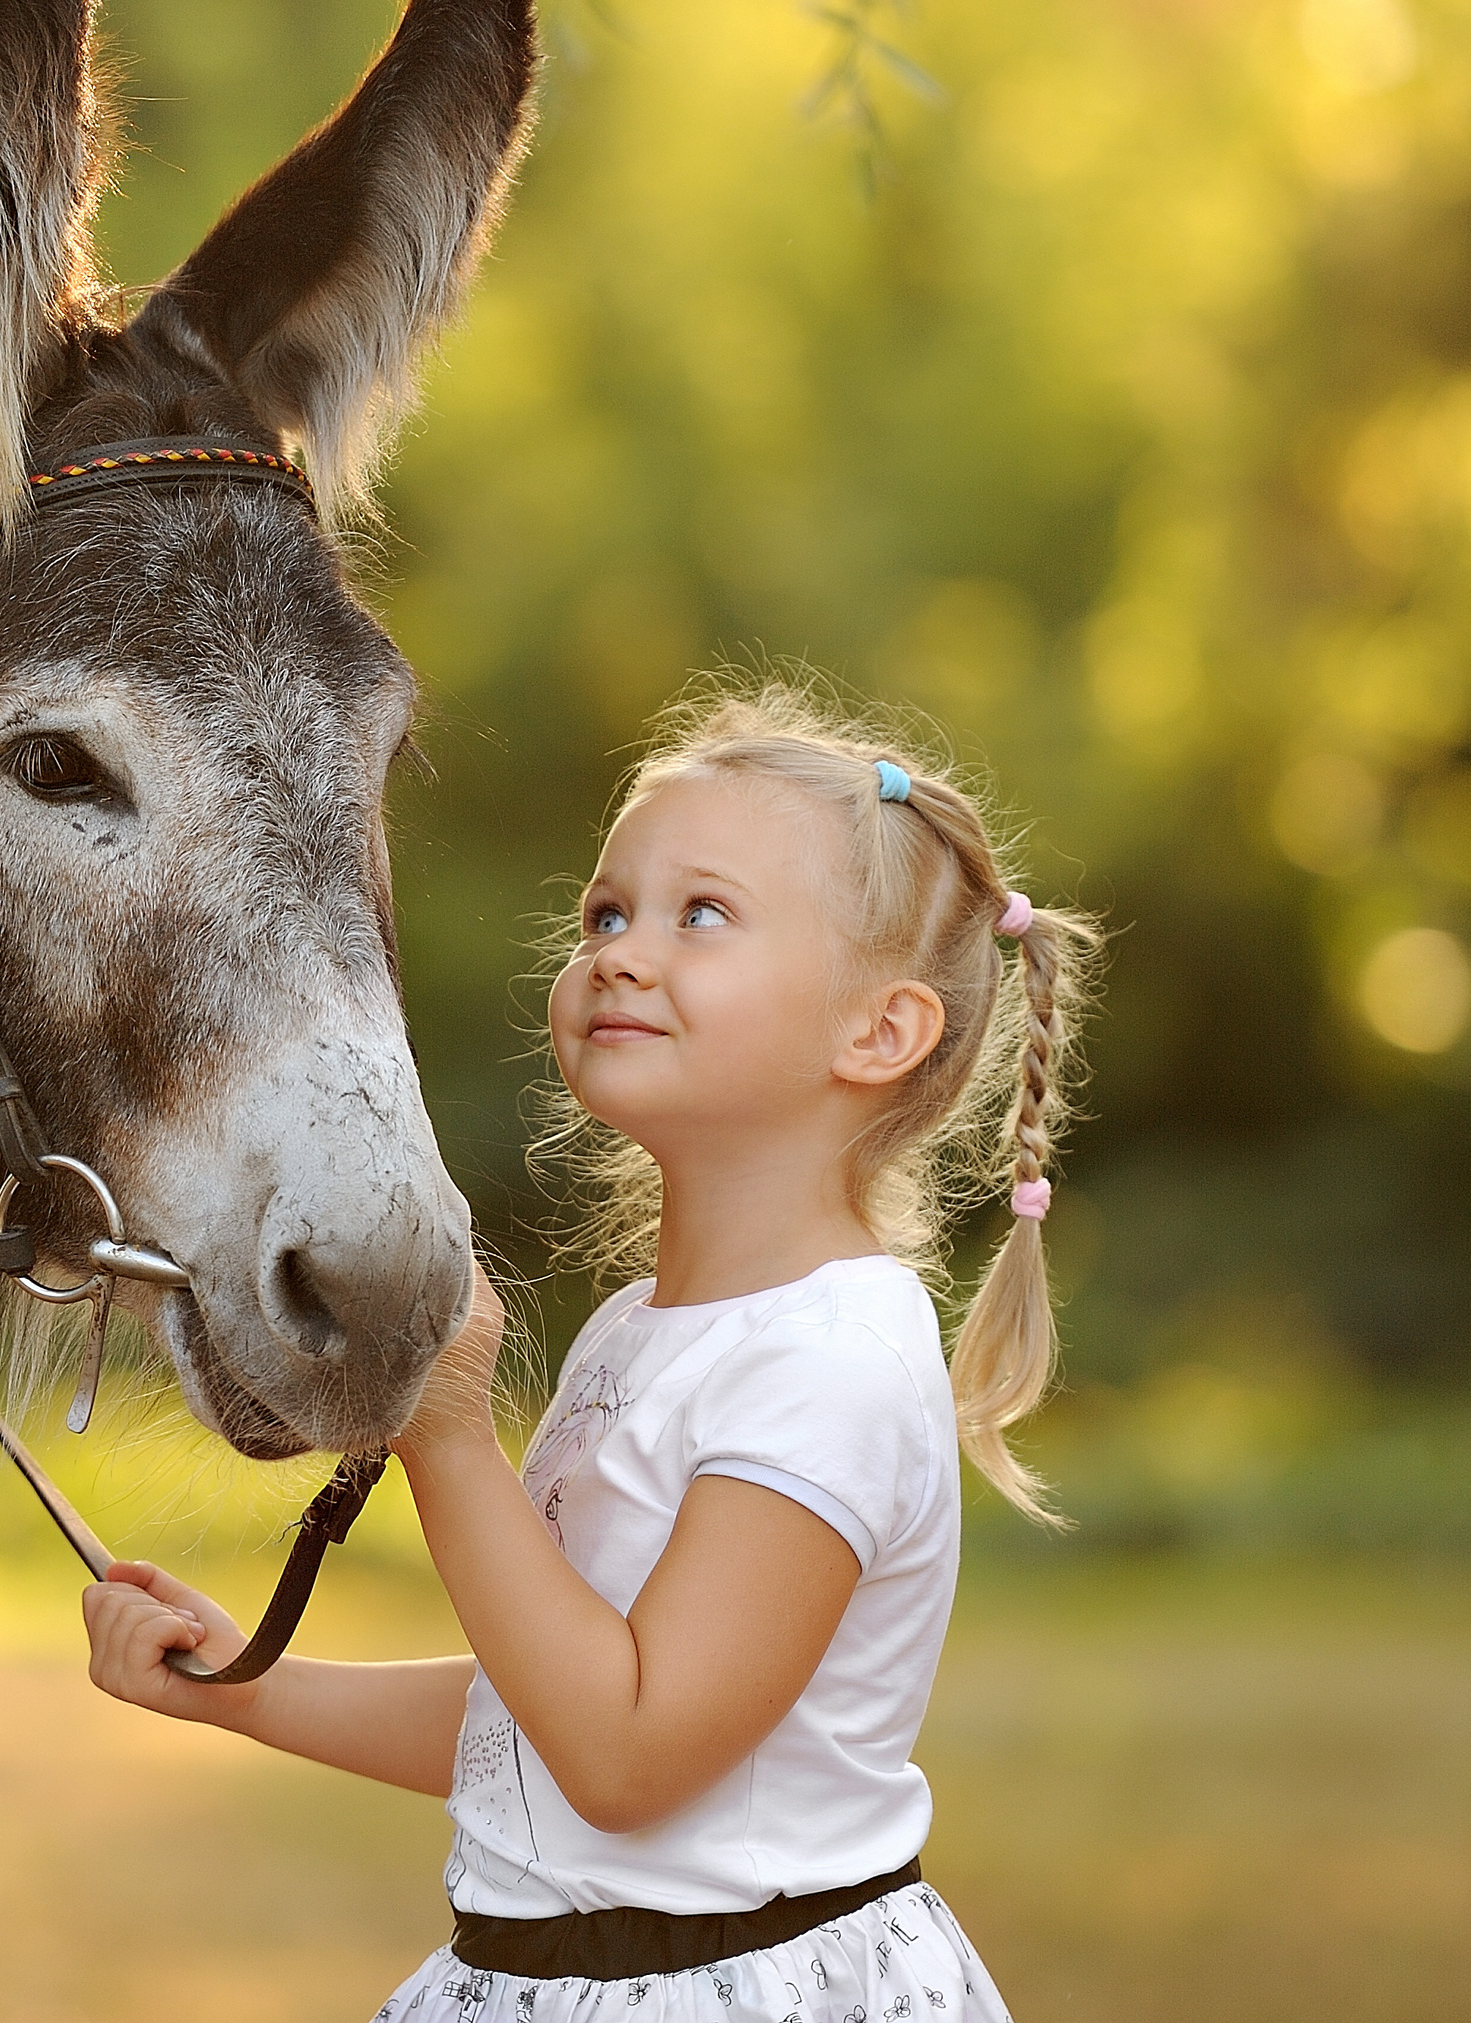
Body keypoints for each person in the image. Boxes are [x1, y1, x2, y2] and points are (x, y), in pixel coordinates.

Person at [80, 682, 1102, 2021]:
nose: (621, 954)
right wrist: (242, 1688)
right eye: (607, 915)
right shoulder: (638, 1331)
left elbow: (626, 1755)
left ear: (880, 1031)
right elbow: (540, 1720)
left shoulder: (831, 1358)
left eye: (703, 916)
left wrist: (450, 1437)